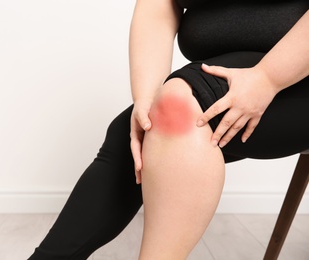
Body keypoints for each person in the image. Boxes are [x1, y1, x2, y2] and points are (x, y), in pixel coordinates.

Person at [28, 0, 309, 259]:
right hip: (230, 76)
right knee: (146, 126)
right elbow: (157, 6)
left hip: (297, 76)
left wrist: (267, 78)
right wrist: (146, 99)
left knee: (181, 106)